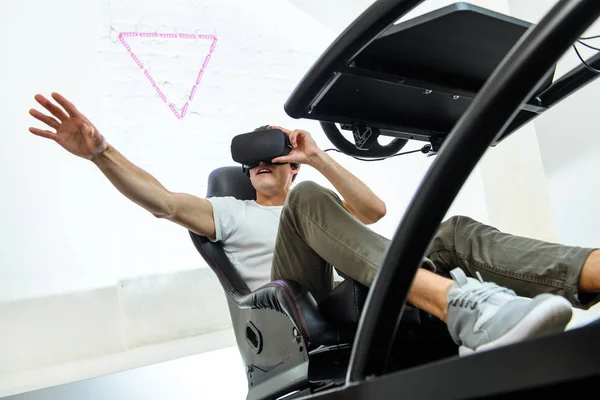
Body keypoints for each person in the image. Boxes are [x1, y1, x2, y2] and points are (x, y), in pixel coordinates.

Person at [27, 92, 599, 356]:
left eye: (270, 153)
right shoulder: (229, 211)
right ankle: (464, 306)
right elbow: (161, 201)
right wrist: (101, 151)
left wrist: (317, 158)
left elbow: (373, 213)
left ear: (288, 164)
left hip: (358, 280)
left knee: (451, 231)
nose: (259, 164)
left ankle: (586, 275)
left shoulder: (314, 196)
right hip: (299, 308)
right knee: (311, 207)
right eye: (250, 160)